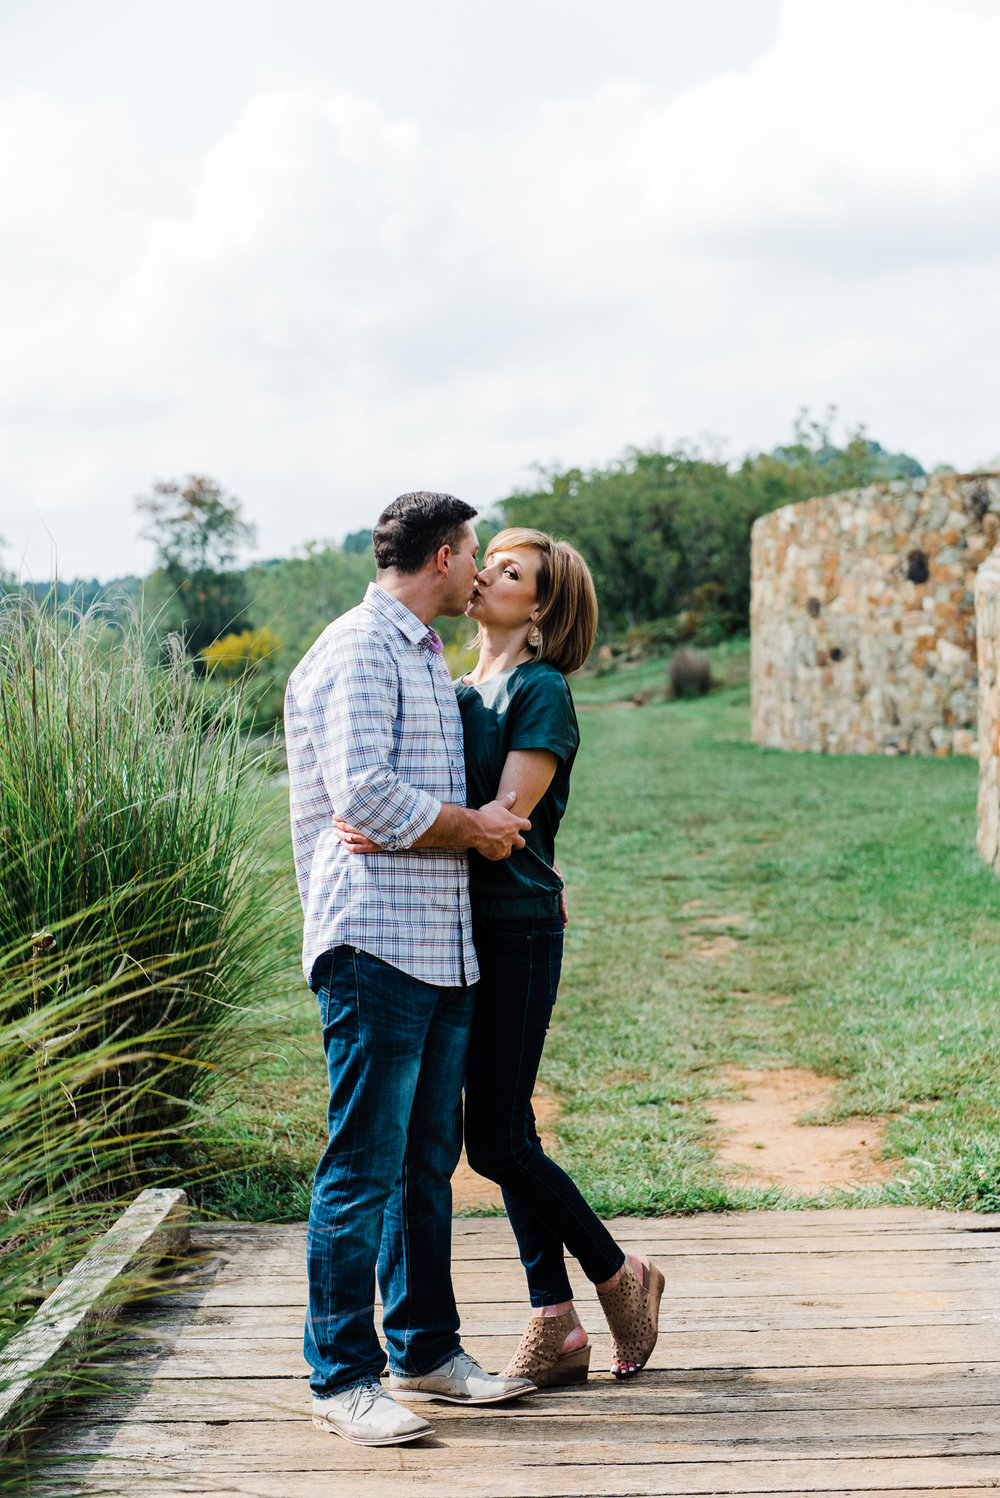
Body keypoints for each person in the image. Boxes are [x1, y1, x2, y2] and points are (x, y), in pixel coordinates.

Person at [339, 527, 664, 1390]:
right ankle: (554, 1323)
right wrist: (393, 819)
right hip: (445, 931)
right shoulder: (454, 688)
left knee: (495, 1137)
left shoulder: (542, 690)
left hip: (516, 926)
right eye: (490, 562)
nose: (485, 575)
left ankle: (617, 1276)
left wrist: (396, 827)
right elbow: (423, 798)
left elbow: (498, 830)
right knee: (493, 1134)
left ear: (542, 607)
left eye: (511, 572)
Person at [284, 492, 536, 1449]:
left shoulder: (426, 655)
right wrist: (468, 826)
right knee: (362, 1165)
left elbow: (395, 809)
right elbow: (366, 794)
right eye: (474, 551)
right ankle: (339, 1377)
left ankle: (425, 1350)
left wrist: (438, 824)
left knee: (425, 1164)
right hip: (375, 947)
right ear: (442, 554)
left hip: (442, 945)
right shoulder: (358, 648)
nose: (479, 568)